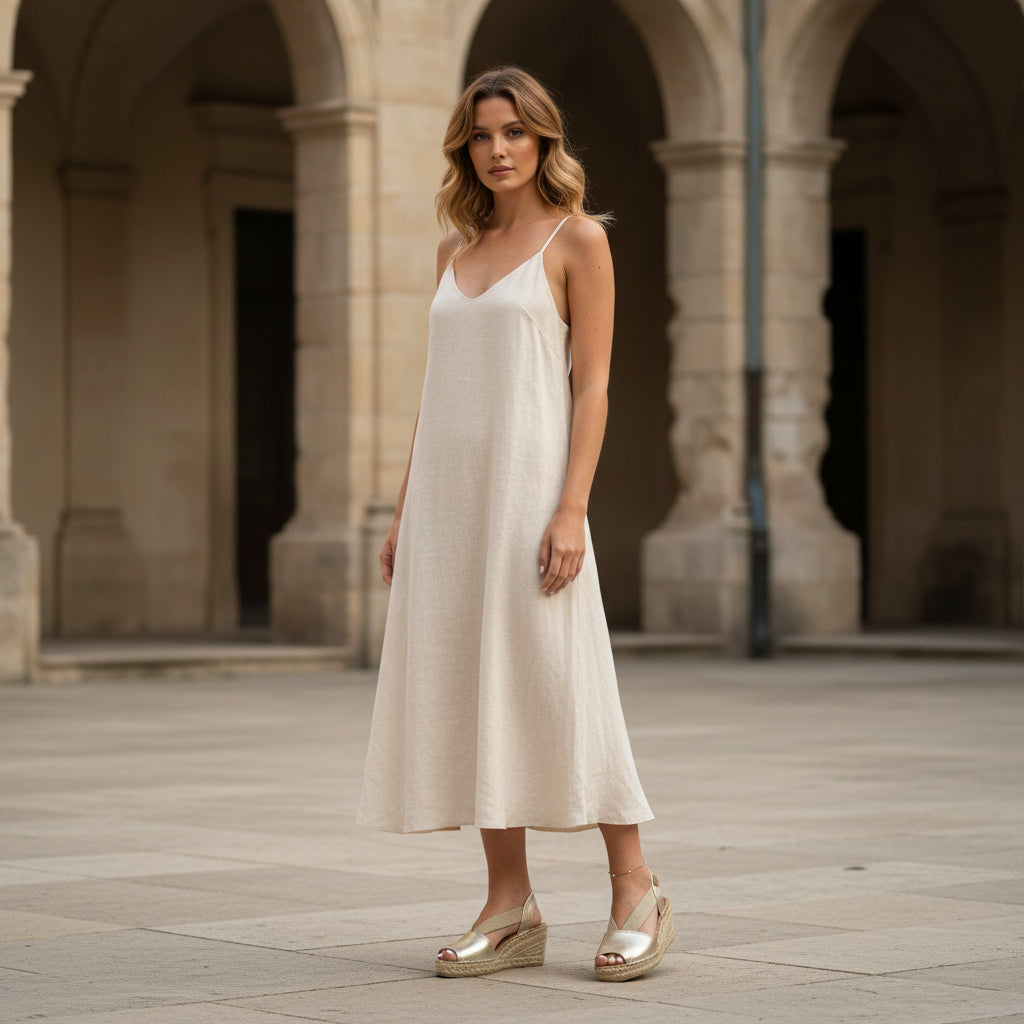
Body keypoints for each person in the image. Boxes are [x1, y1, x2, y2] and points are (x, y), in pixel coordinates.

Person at [356, 66, 673, 982]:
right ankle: (510, 905)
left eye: (513, 134)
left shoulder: (578, 242)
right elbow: (435, 394)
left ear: (543, 140)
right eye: (481, 137)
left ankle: (635, 886)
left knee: (562, 679)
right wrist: (406, 509)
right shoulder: (453, 252)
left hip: (532, 494)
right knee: (473, 686)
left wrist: (572, 505)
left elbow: (593, 384)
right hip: (451, 506)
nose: (496, 151)